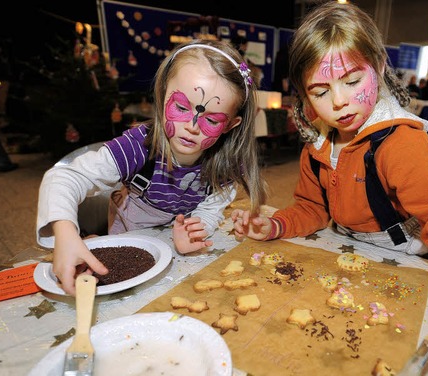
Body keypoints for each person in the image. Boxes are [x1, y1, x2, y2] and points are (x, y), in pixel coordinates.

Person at [230, 2, 428, 304]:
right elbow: (312, 209)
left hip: (402, 258)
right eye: (320, 92)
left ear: (380, 67)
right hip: (347, 251)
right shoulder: (318, 144)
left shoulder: (400, 142)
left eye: (353, 81)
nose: (339, 101)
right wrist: (277, 224)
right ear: (304, 95)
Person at [37, 39, 268, 295]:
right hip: (128, 242)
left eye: (211, 119)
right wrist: (66, 234)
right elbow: (64, 177)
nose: (192, 126)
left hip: (173, 255)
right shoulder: (139, 148)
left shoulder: (225, 165)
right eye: (181, 107)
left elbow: (211, 209)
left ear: (230, 125)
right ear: (162, 94)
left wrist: (196, 229)